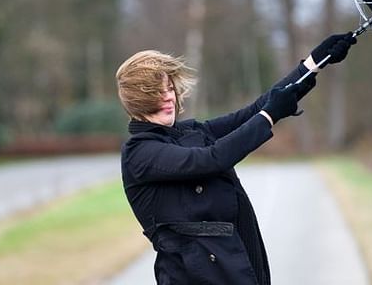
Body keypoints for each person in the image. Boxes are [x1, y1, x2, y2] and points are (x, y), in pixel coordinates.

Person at [115, 33, 356, 285]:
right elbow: (211, 159)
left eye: (169, 88)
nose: (168, 97)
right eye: (156, 92)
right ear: (137, 100)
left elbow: (252, 112)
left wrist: (311, 66)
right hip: (195, 277)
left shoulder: (189, 132)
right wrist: (269, 116)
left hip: (236, 262)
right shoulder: (140, 153)